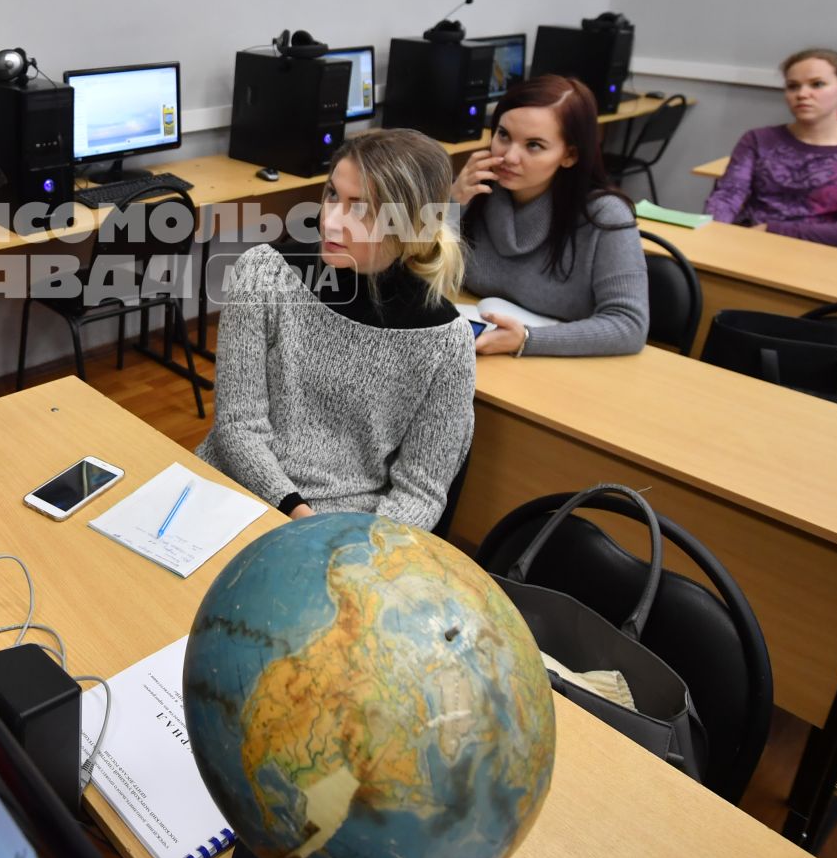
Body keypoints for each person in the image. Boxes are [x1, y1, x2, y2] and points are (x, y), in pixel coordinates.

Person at [198, 129, 475, 530]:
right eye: (332, 195)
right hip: (237, 489)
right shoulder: (263, 271)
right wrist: (297, 512)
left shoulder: (446, 340)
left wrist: (365, 549)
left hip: (348, 528)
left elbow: (421, 490)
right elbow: (238, 427)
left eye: (360, 207)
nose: (330, 220)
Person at [453, 74, 648, 357]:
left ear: (569, 155)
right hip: (481, 358)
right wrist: (449, 201)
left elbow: (630, 326)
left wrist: (528, 340)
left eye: (534, 145)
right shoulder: (476, 190)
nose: (509, 157)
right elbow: (394, 257)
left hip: (562, 369)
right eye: (503, 135)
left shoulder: (606, 215)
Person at [704, 49, 837, 249]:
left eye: (817, 84)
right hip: (748, 243)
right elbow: (728, 194)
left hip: (818, 257)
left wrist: (771, 230)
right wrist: (715, 232)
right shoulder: (758, 139)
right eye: (793, 86)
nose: (802, 94)